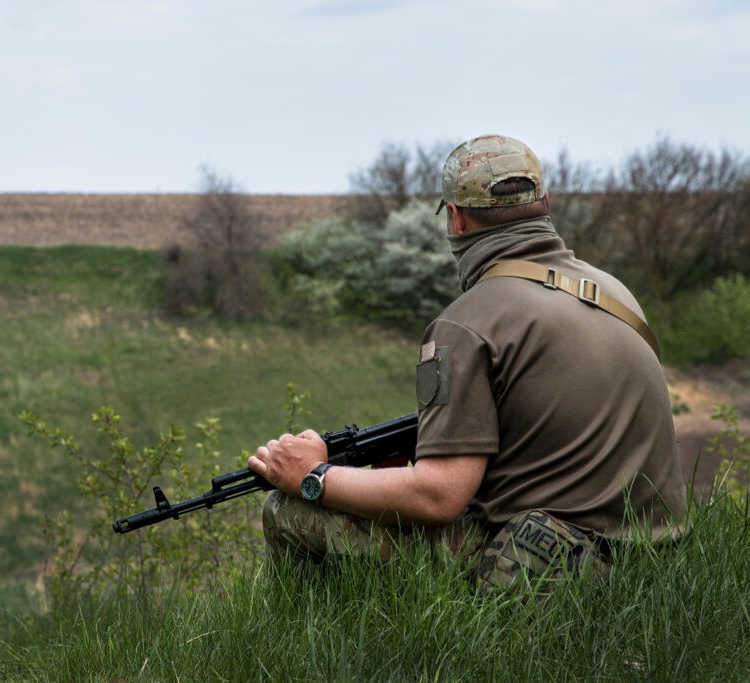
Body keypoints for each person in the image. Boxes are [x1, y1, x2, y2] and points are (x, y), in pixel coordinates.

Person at [247, 135, 687, 589]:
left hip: (547, 565)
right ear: (545, 203)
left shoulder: (464, 324)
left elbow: (439, 496)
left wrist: (314, 475)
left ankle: (319, 632)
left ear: (456, 219)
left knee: (287, 511)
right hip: (653, 558)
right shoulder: (614, 292)